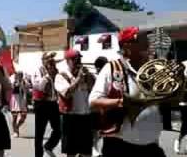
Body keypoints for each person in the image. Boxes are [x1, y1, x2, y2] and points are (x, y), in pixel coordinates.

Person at [89, 26, 166, 157]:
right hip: (120, 146)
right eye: (141, 40)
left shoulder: (153, 69)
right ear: (127, 46)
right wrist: (122, 102)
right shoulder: (112, 68)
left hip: (151, 145)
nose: (147, 43)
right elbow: (93, 102)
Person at [54, 49, 95, 157]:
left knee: (87, 152)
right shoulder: (61, 76)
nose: (78, 62)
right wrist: (78, 79)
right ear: (67, 61)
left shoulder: (85, 75)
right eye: (74, 59)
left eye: (79, 59)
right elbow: (66, 94)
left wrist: (88, 77)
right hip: (70, 118)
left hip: (85, 117)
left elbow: (94, 91)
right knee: (71, 152)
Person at [32, 52, 61, 157]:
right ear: (43, 60)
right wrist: (48, 75)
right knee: (39, 133)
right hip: (41, 104)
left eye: (51, 59)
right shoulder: (38, 70)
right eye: (48, 59)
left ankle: (48, 146)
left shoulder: (56, 71)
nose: (50, 61)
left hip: (53, 103)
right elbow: (39, 86)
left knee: (58, 130)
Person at [92, 56, 108, 157]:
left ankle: (96, 150)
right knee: (95, 133)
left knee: (98, 133)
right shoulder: (94, 78)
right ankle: (95, 151)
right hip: (95, 110)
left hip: (101, 110)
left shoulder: (101, 77)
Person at [10, 71, 28, 137]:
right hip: (14, 99)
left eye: (21, 75)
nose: (20, 76)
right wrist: (14, 84)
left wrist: (25, 100)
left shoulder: (24, 82)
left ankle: (17, 126)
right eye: (18, 75)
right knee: (14, 117)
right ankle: (15, 132)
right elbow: (10, 90)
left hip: (21, 100)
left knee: (23, 117)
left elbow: (25, 91)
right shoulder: (13, 82)